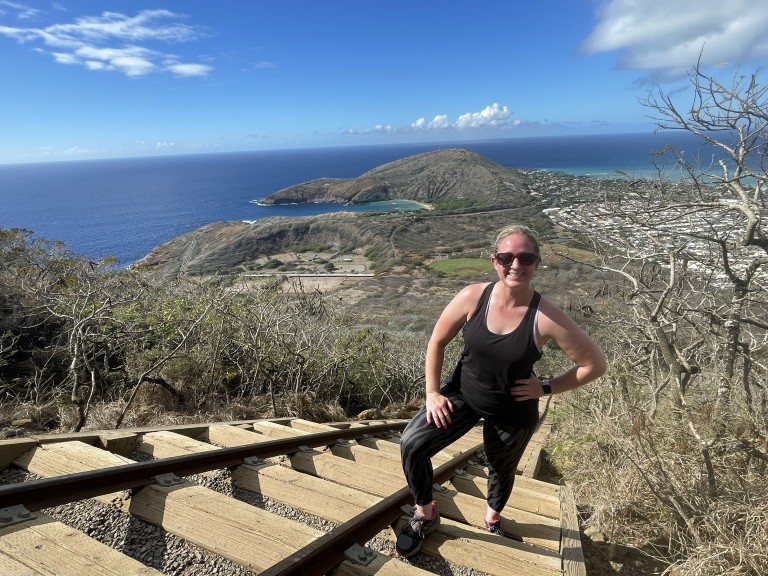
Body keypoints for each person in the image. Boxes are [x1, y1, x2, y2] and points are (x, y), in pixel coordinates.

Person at [396, 224, 607, 558]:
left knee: (501, 468)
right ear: (494, 261)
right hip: (463, 394)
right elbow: (437, 341)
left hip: (513, 409)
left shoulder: (546, 316)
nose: (515, 265)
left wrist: (546, 387)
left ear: (537, 263)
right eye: (507, 257)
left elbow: (594, 365)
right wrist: (433, 393)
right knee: (412, 444)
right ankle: (425, 512)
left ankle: (492, 516)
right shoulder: (473, 297)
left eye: (525, 257)